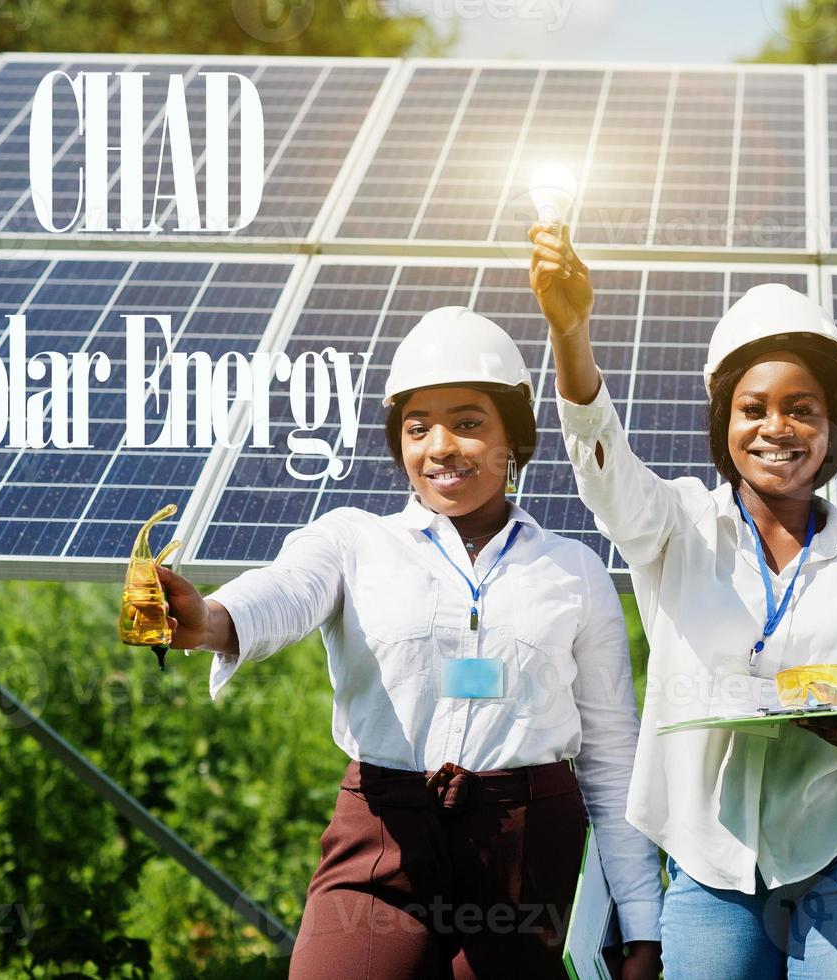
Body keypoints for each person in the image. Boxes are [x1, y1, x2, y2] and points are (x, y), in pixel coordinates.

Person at [155, 307, 663, 979]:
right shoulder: (352, 540)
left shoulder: (572, 569)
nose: (440, 446)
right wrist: (209, 619)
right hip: (383, 833)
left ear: (514, 435)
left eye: (468, 423)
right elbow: (285, 591)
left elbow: (609, 756)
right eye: (418, 428)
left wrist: (641, 927)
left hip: (526, 851)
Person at [529, 223, 837, 979]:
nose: (777, 428)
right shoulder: (675, 526)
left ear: (832, 426)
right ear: (724, 422)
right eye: (753, 408)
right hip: (709, 853)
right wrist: (570, 332)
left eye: (802, 408)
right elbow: (602, 466)